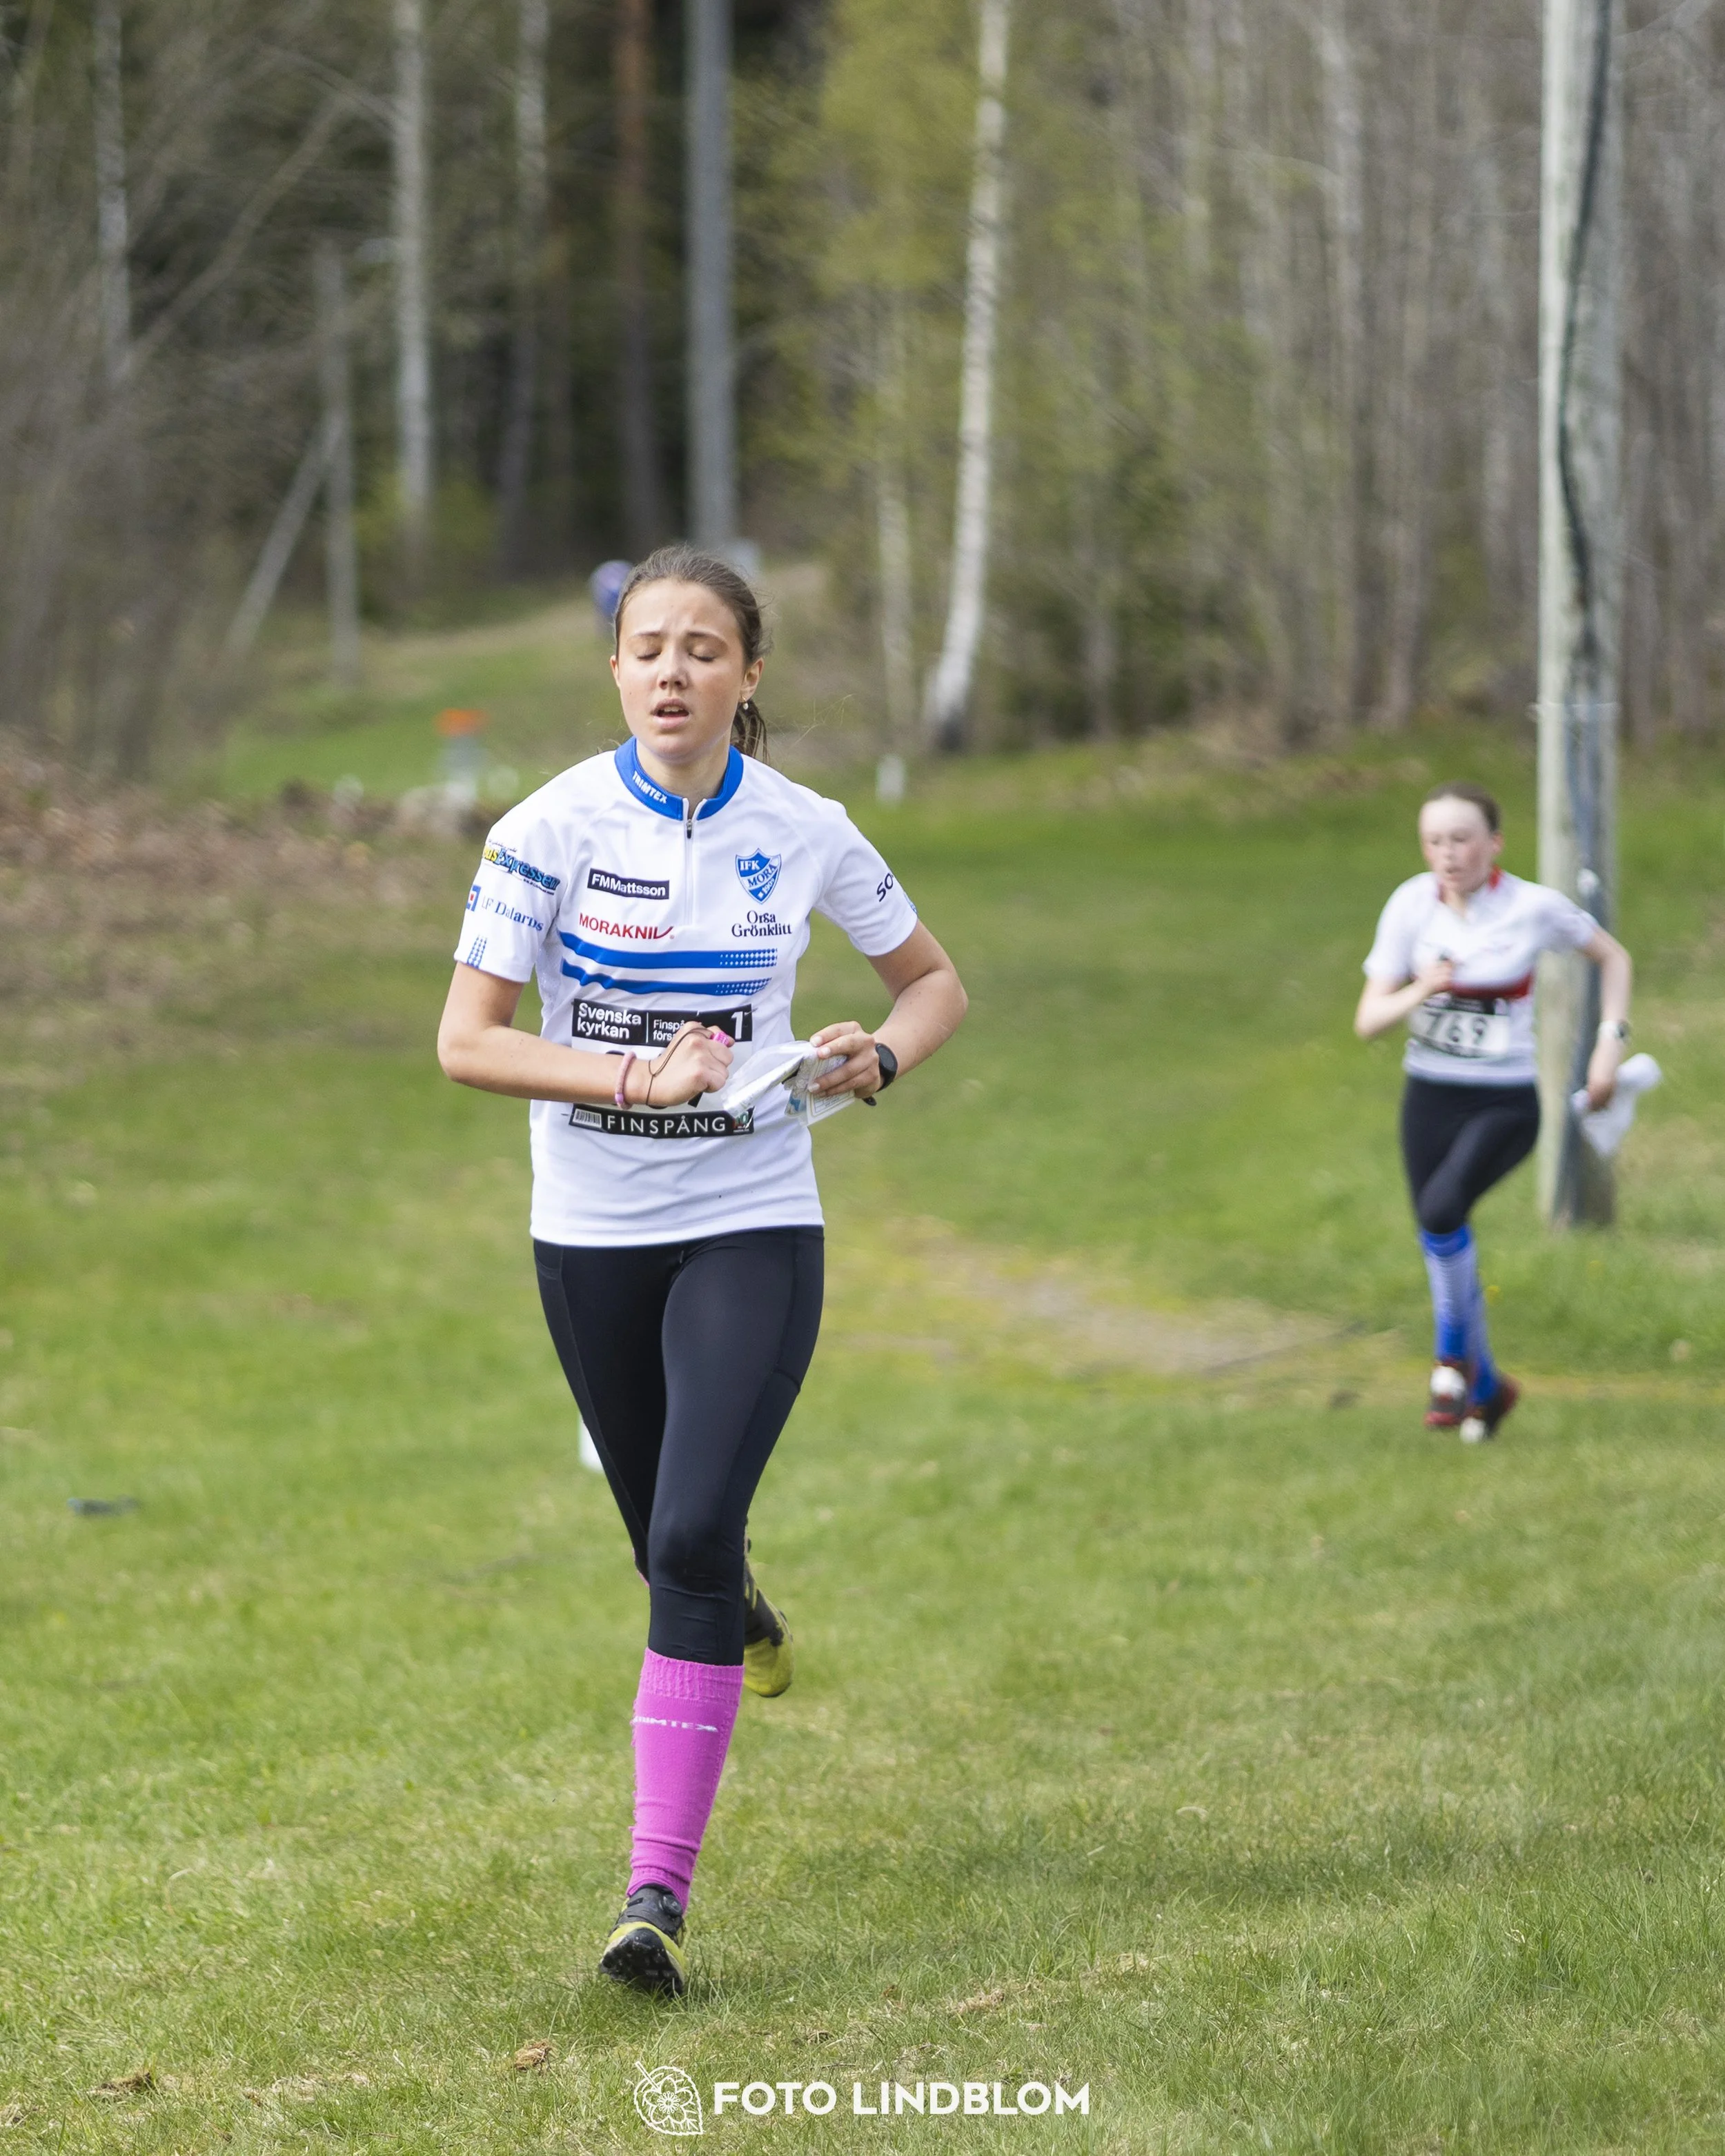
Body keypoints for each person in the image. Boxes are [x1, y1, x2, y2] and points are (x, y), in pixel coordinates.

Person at [436, 545, 966, 1996]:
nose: (672, 670)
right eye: (646, 646)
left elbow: (933, 980)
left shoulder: (805, 828)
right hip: (590, 1232)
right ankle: (731, 1601)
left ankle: (650, 1898)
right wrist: (630, 1074)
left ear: (747, 676)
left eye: (703, 648)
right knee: (667, 1540)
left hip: (751, 1215)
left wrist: (882, 1054)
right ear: (614, 671)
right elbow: (468, 1040)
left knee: (681, 1533)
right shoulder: (544, 828)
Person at [1354, 783, 1633, 1443]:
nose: (1448, 854)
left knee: (1444, 1208)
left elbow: (1613, 957)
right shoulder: (1409, 905)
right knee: (1439, 1232)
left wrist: (1607, 1047)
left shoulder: (1532, 907)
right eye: (1434, 841)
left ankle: (1452, 1359)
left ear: (1494, 843)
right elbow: (1368, 1020)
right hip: (1428, 1096)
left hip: (1502, 1103)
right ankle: (1488, 1388)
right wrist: (1422, 988)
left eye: (1462, 839)